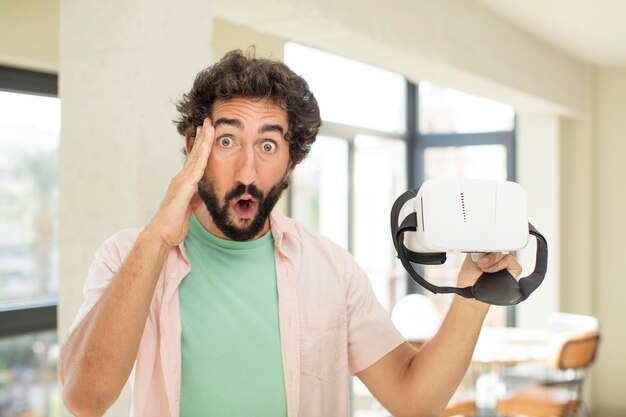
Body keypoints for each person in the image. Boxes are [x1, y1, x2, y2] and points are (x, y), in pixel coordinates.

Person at [59, 49, 521, 417]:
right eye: (227, 140)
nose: (247, 168)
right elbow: (84, 399)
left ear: (290, 161)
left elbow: (413, 399)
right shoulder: (127, 255)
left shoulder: (330, 269)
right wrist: (158, 238)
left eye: (267, 144)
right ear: (192, 147)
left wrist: (472, 293)